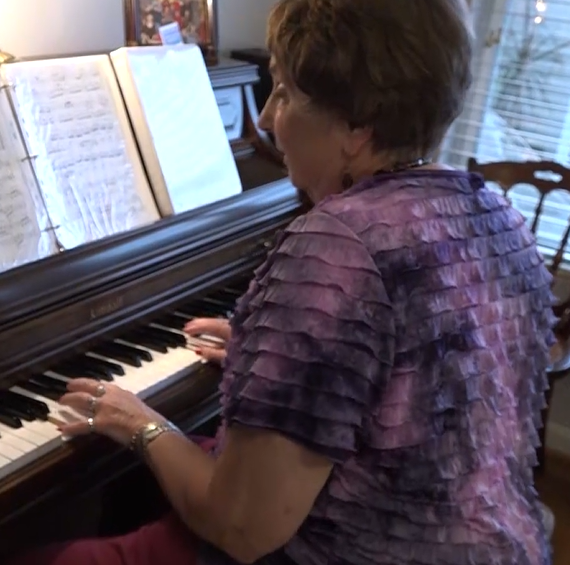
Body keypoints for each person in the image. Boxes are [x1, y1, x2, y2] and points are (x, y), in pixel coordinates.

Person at [9, 0, 556, 564]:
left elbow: (242, 528)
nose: (267, 119)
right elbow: (418, 378)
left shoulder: (337, 244)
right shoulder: (496, 214)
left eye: (285, 93)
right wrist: (269, 360)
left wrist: (137, 420)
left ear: (358, 129)